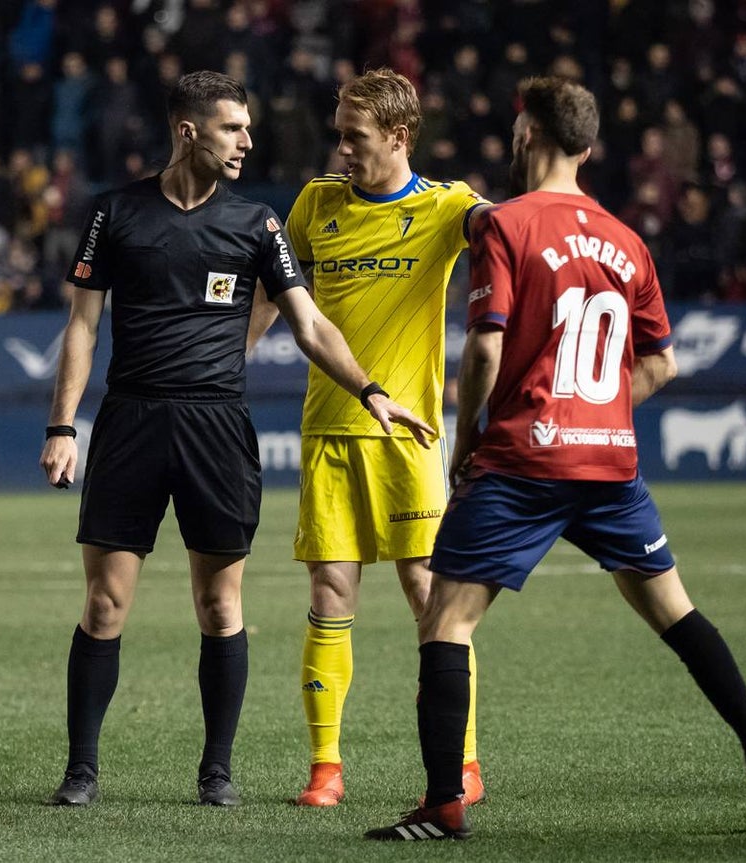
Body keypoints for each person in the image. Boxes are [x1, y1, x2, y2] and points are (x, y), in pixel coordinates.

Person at [365, 76, 746, 841]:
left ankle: (443, 804)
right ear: (589, 147)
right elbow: (661, 363)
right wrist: (597, 414)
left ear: (526, 134)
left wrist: (467, 439)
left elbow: (487, 344)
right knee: (676, 612)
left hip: (520, 463)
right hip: (609, 466)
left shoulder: (504, 226)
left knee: (447, 620)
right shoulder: (627, 238)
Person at [38, 70, 434, 810]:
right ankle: (81, 770)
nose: (250, 140)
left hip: (217, 428)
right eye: (233, 128)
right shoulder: (114, 214)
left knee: (221, 608)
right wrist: (64, 425)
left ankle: (215, 770)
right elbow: (83, 326)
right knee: (104, 604)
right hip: (130, 423)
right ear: (188, 130)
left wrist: (370, 389)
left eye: (248, 127)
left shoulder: (258, 224)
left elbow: (310, 323)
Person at [267, 68, 489, 807]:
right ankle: (325, 768)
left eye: (354, 138)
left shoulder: (446, 205)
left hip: (411, 436)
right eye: (338, 136)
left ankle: (460, 761)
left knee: (431, 592)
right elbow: (279, 291)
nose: (341, 151)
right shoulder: (314, 204)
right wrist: (224, 360)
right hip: (330, 428)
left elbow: (509, 229)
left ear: (398, 137)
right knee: (330, 589)